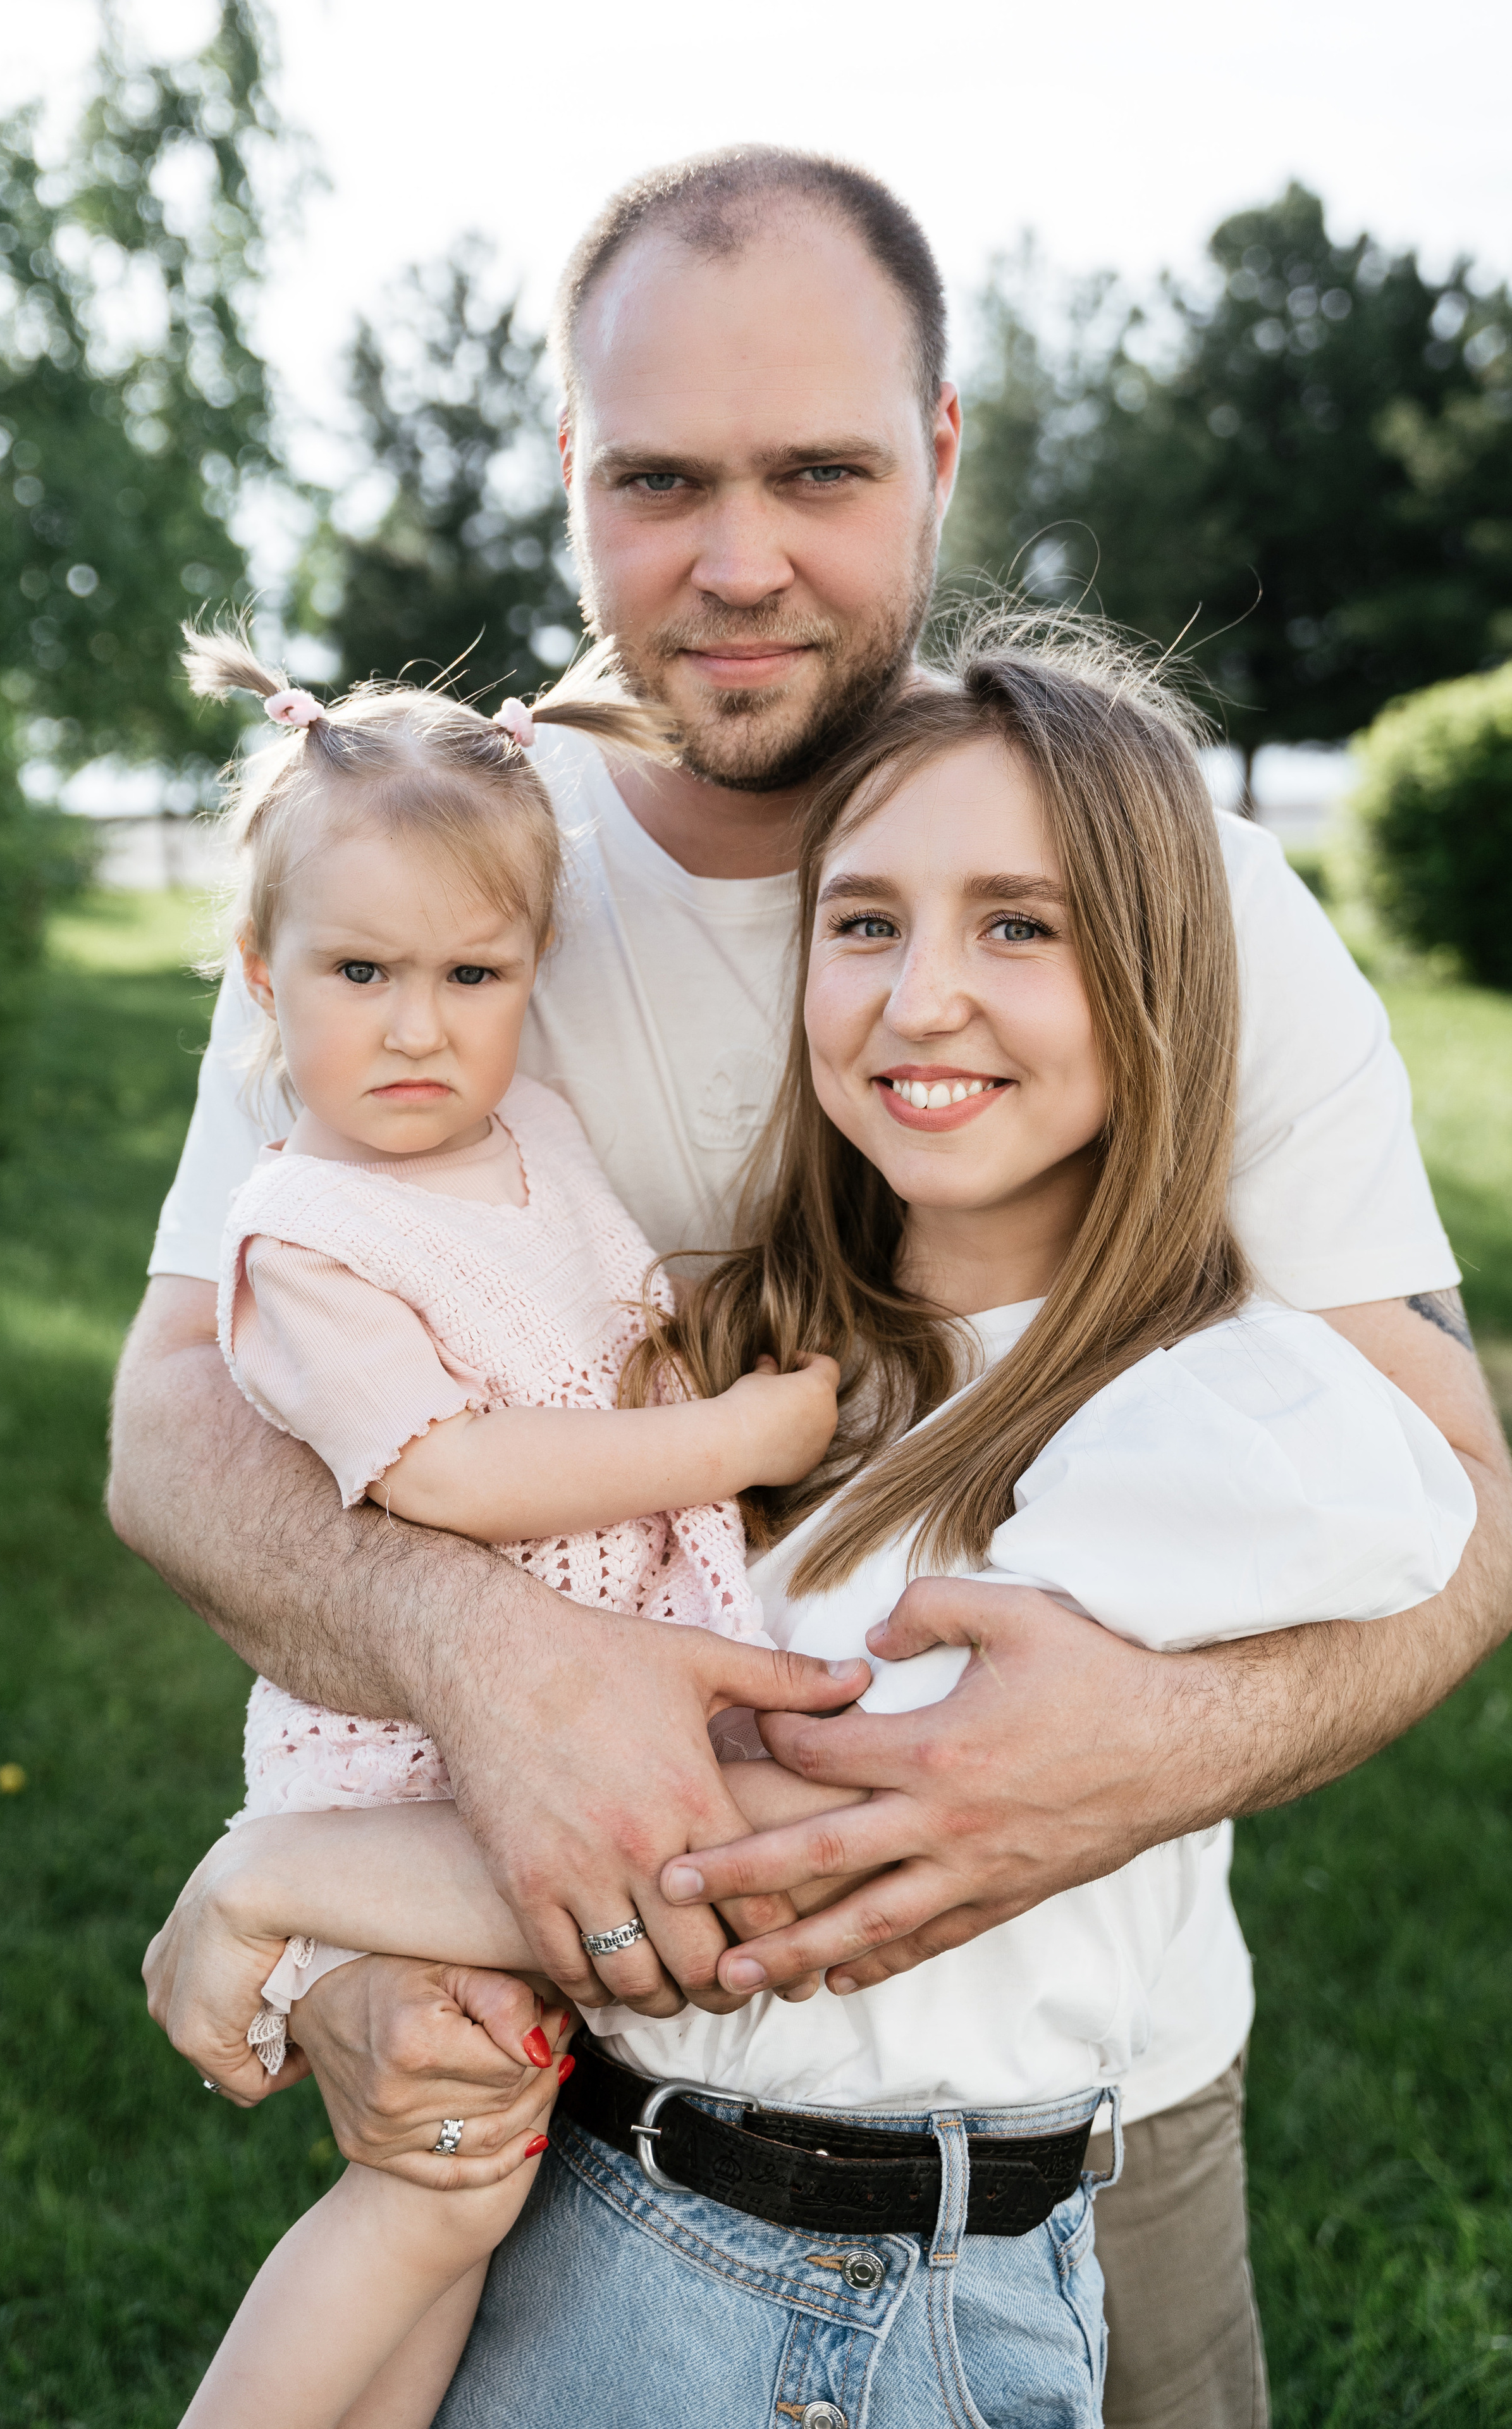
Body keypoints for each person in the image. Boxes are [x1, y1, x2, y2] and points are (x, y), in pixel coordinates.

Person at [116, 147, 1512, 2429]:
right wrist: (477, 1691)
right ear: (570, 468)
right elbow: (182, 1420)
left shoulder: (1176, 887)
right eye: (660, 478)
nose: (739, 559)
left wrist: (1116, 1761)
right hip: (587, 2082)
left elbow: (1450, 1487)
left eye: (822, 474)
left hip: (1097, 2109)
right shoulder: (432, 882)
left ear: (942, 455)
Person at [169, 627, 847, 2428]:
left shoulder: (528, 1125)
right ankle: (260, 1892)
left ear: (530, 974)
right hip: (400, 1774)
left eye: (472, 972)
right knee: (425, 2192)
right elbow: (452, 1471)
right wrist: (742, 1429)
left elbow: (587, 1323)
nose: (416, 1025)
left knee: (468, 2190)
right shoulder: (307, 1234)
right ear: (261, 976)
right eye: (360, 971)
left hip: (534, 1732)